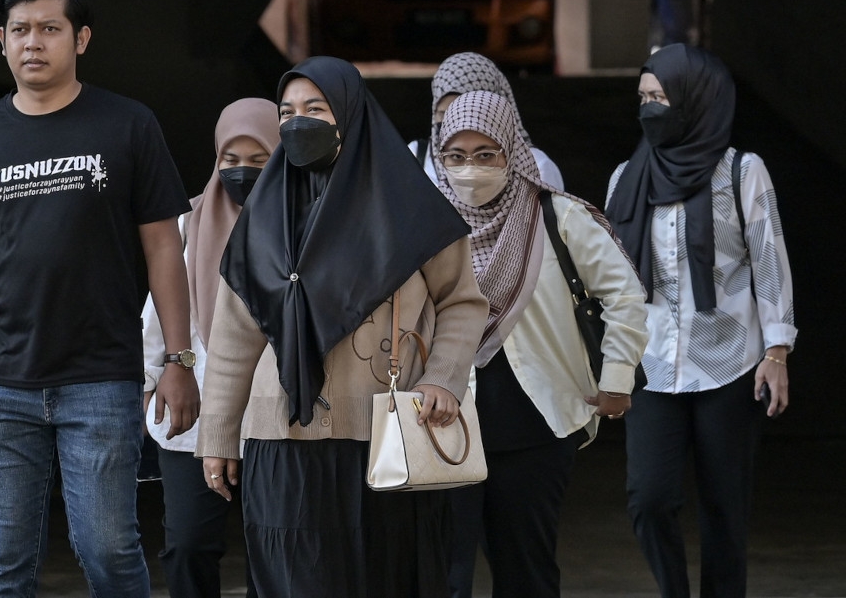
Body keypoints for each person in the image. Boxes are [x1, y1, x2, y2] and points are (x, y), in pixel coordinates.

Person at [0, 0, 196, 598]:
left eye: (50, 28)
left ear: (81, 39)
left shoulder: (128, 125)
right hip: (2, 383)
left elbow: (164, 248)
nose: (33, 43)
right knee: (5, 566)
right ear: (2, 41)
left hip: (101, 379)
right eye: (20, 30)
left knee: (108, 550)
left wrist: (178, 361)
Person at [195, 55, 489, 598]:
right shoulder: (266, 214)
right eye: (287, 112)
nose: (297, 123)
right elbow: (235, 333)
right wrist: (218, 435)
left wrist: (443, 378)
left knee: (383, 576)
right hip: (282, 437)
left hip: (385, 432)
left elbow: (462, 302)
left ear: (351, 115)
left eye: (315, 109)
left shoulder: (410, 209)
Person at [435, 90, 648, 598]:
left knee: (525, 570)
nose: (470, 169)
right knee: (443, 573)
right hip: (442, 419)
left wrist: (617, 379)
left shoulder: (557, 216)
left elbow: (625, 296)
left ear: (511, 150)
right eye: (455, 156)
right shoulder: (428, 222)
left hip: (535, 424)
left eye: (486, 154)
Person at [604, 43, 796, 598]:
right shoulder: (625, 178)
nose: (649, 109)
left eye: (661, 98)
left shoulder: (740, 172)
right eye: (643, 98)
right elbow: (611, 282)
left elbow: (769, 261)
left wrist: (777, 351)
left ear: (696, 100)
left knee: (724, 507)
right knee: (649, 498)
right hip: (652, 367)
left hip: (729, 364)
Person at [142, 97, 279, 598]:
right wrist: (151, 379)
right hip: (195, 408)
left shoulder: (306, 221)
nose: (243, 172)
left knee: (275, 547)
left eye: (260, 160)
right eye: (231, 160)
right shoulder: (189, 223)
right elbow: (160, 310)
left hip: (278, 412)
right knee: (188, 545)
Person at [409, 51, 564, 190]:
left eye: (463, 112)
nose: (453, 122)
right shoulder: (415, 158)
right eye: (443, 113)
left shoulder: (536, 168)